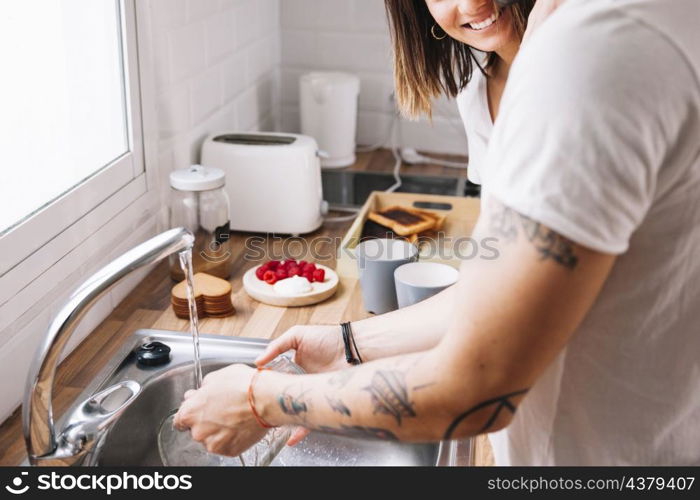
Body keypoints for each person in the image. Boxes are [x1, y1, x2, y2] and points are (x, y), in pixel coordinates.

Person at [174, 0, 700, 465]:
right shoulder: (590, 40)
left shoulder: (586, 57)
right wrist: (349, 344)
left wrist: (260, 400)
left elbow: (475, 388)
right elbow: (500, 291)